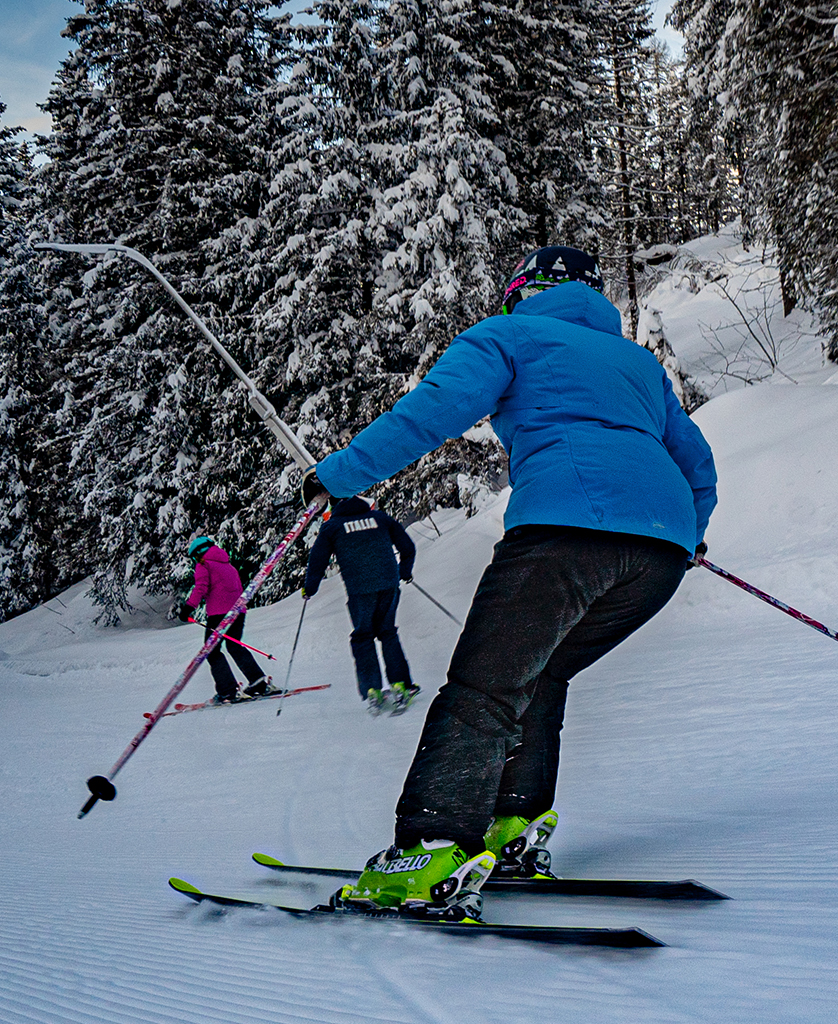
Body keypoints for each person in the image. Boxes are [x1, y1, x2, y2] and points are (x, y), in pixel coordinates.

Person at [303, 246, 717, 920]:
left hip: (562, 534)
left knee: (485, 687)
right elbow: (697, 462)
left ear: (525, 290)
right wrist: (687, 533)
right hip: (658, 554)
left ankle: (432, 848)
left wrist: (338, 479)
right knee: (540, 673)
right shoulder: (637, 364)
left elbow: (431, 412)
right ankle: (511, 825)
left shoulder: (510, 334)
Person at [303, 495, 418, 714]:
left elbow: (318, 560)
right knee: (387, 632)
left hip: (359, 590)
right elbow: (407, 546)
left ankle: (373, 689)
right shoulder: (380, 518)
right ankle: (401, 684)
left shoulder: (332, 527)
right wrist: (405, 571)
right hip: (388, 584)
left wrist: (310, 588)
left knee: (363, 636)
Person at [183, 535, 281, 704]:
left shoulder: (204, 564)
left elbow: (200, 587)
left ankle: (227, 691)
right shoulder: (228, 565)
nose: (195, 560)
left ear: (199, 552)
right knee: (234, 646)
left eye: (194, 556)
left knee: (211, 651)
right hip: (238, 612)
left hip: (219, 615)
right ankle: (259, 683)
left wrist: (188, 607)